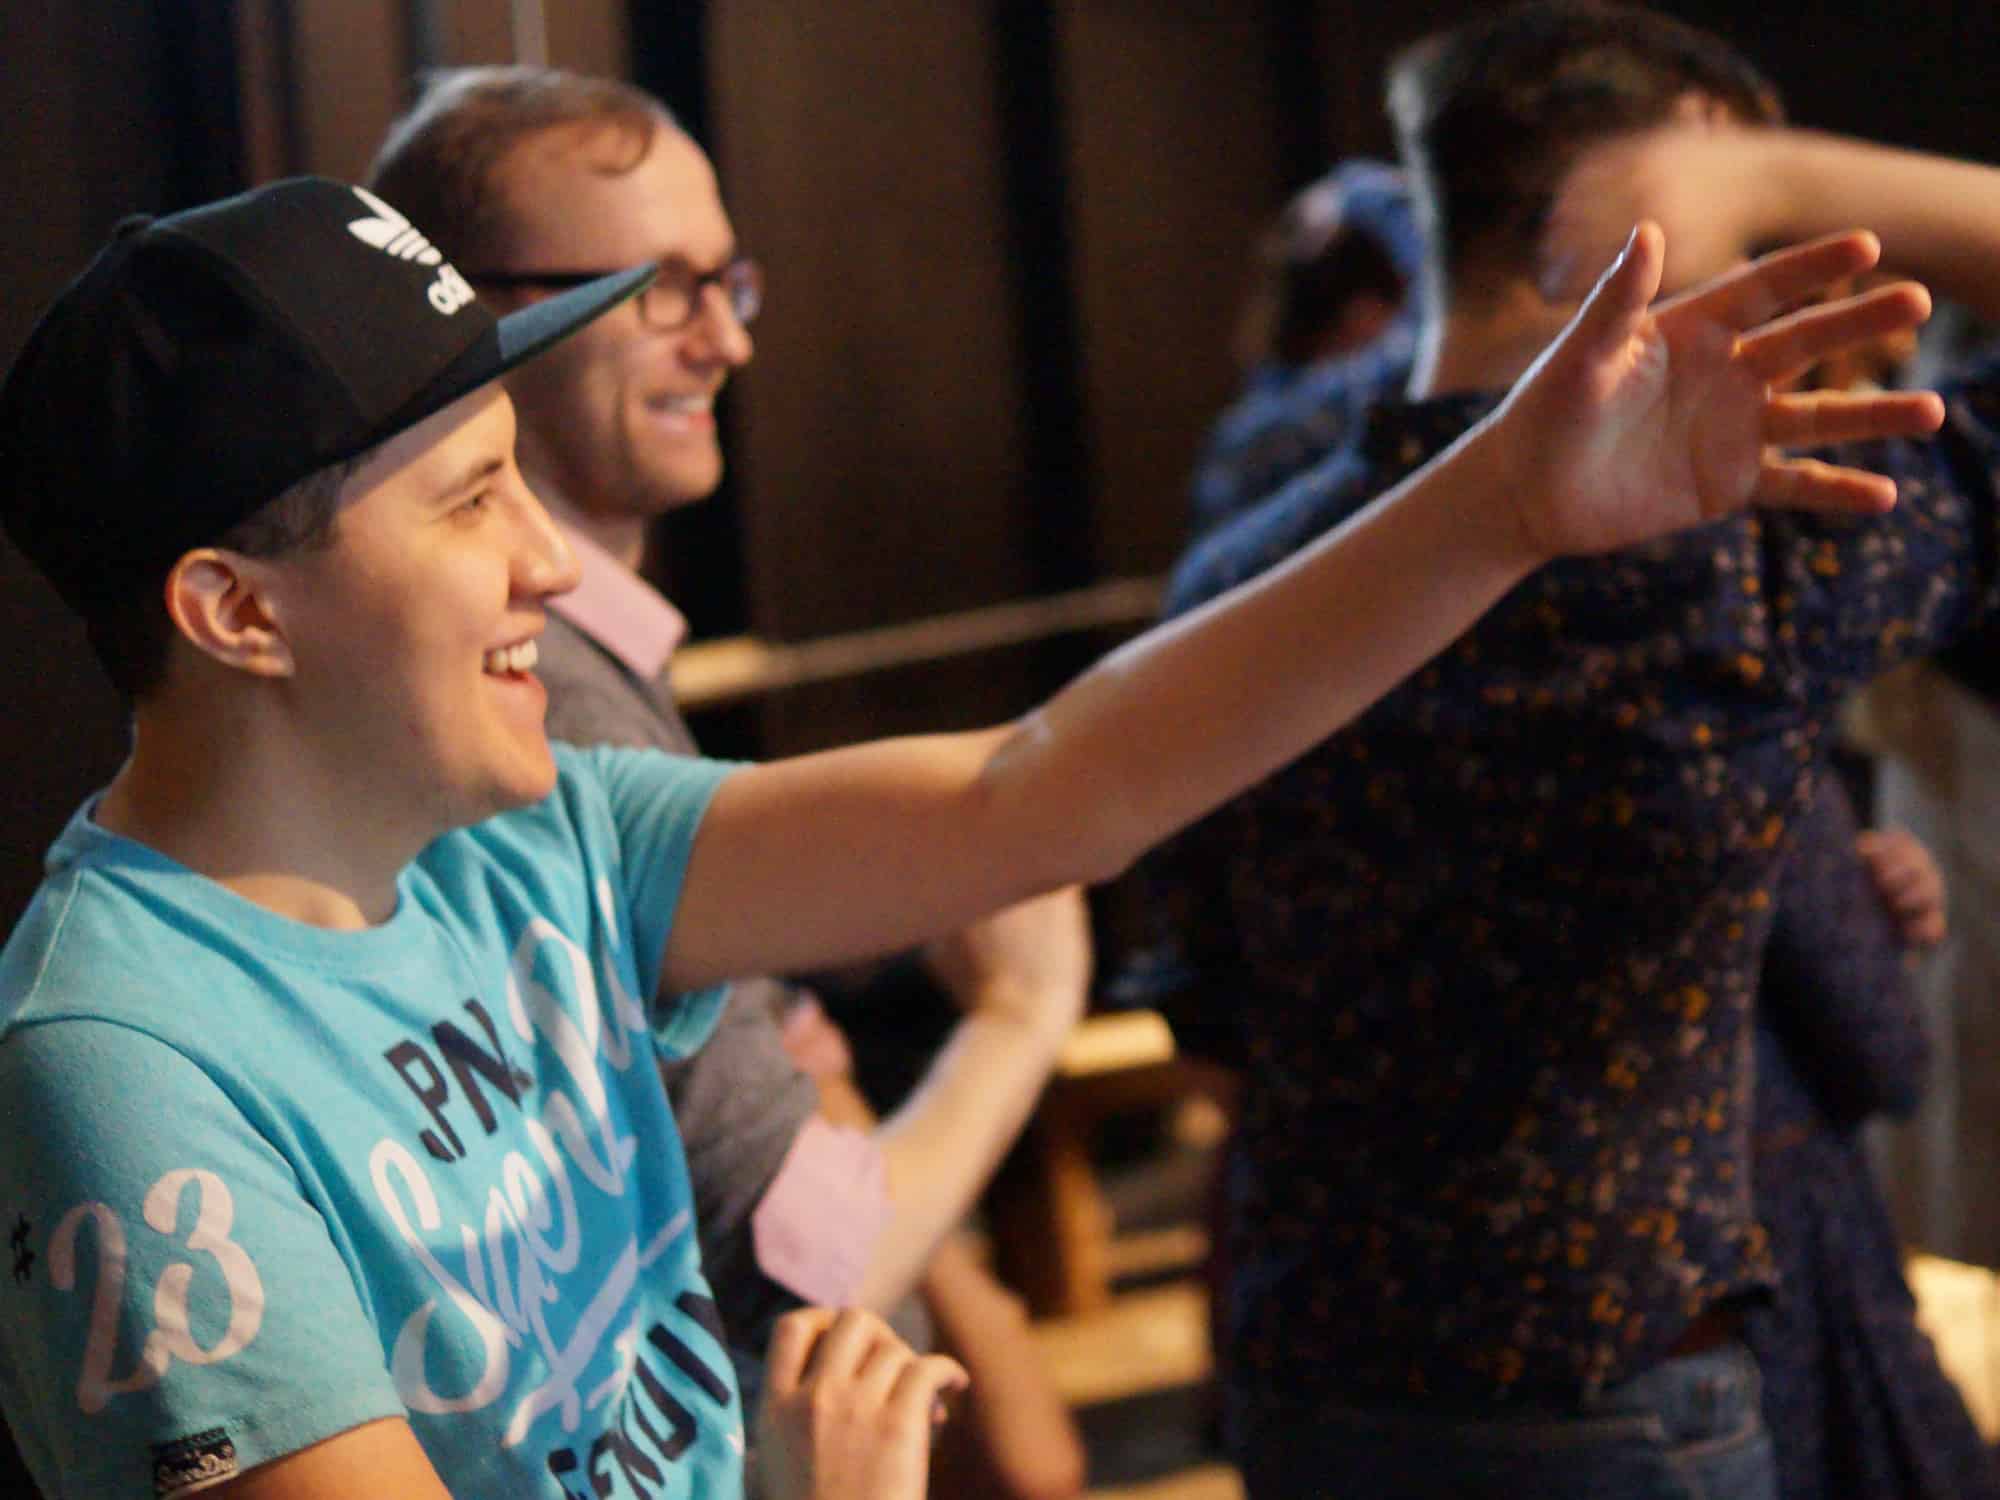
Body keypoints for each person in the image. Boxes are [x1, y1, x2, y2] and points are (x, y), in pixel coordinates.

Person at [0, 159, 1935, 1500]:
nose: (541, 566)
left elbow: (1051, 789)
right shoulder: (129, 1069)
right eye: (468, 503)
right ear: (234, 612)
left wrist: (1509, 504)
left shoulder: (525, 844)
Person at [1140, 4, 2000, 1496]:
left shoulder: (1237, 574)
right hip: (1611, 1405)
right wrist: (1762, 176)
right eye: (1753, 219)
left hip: (1311, 1382)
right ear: (1654, 211)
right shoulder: (1725, 549)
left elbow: (1208, 1015)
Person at [367, 68, 1089, 1500]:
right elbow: (797, 1267)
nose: (726, 341)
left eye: (729, 281)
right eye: (661, 289)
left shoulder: (586, 669)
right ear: (484, 320)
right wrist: (1021, 1013)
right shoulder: (541, 700)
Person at [1188, 159, 1421, 540]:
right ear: (1362, 313)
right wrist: (1366, 192)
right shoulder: (1315, 415)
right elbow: (1431, 333)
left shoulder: (1257, 418)